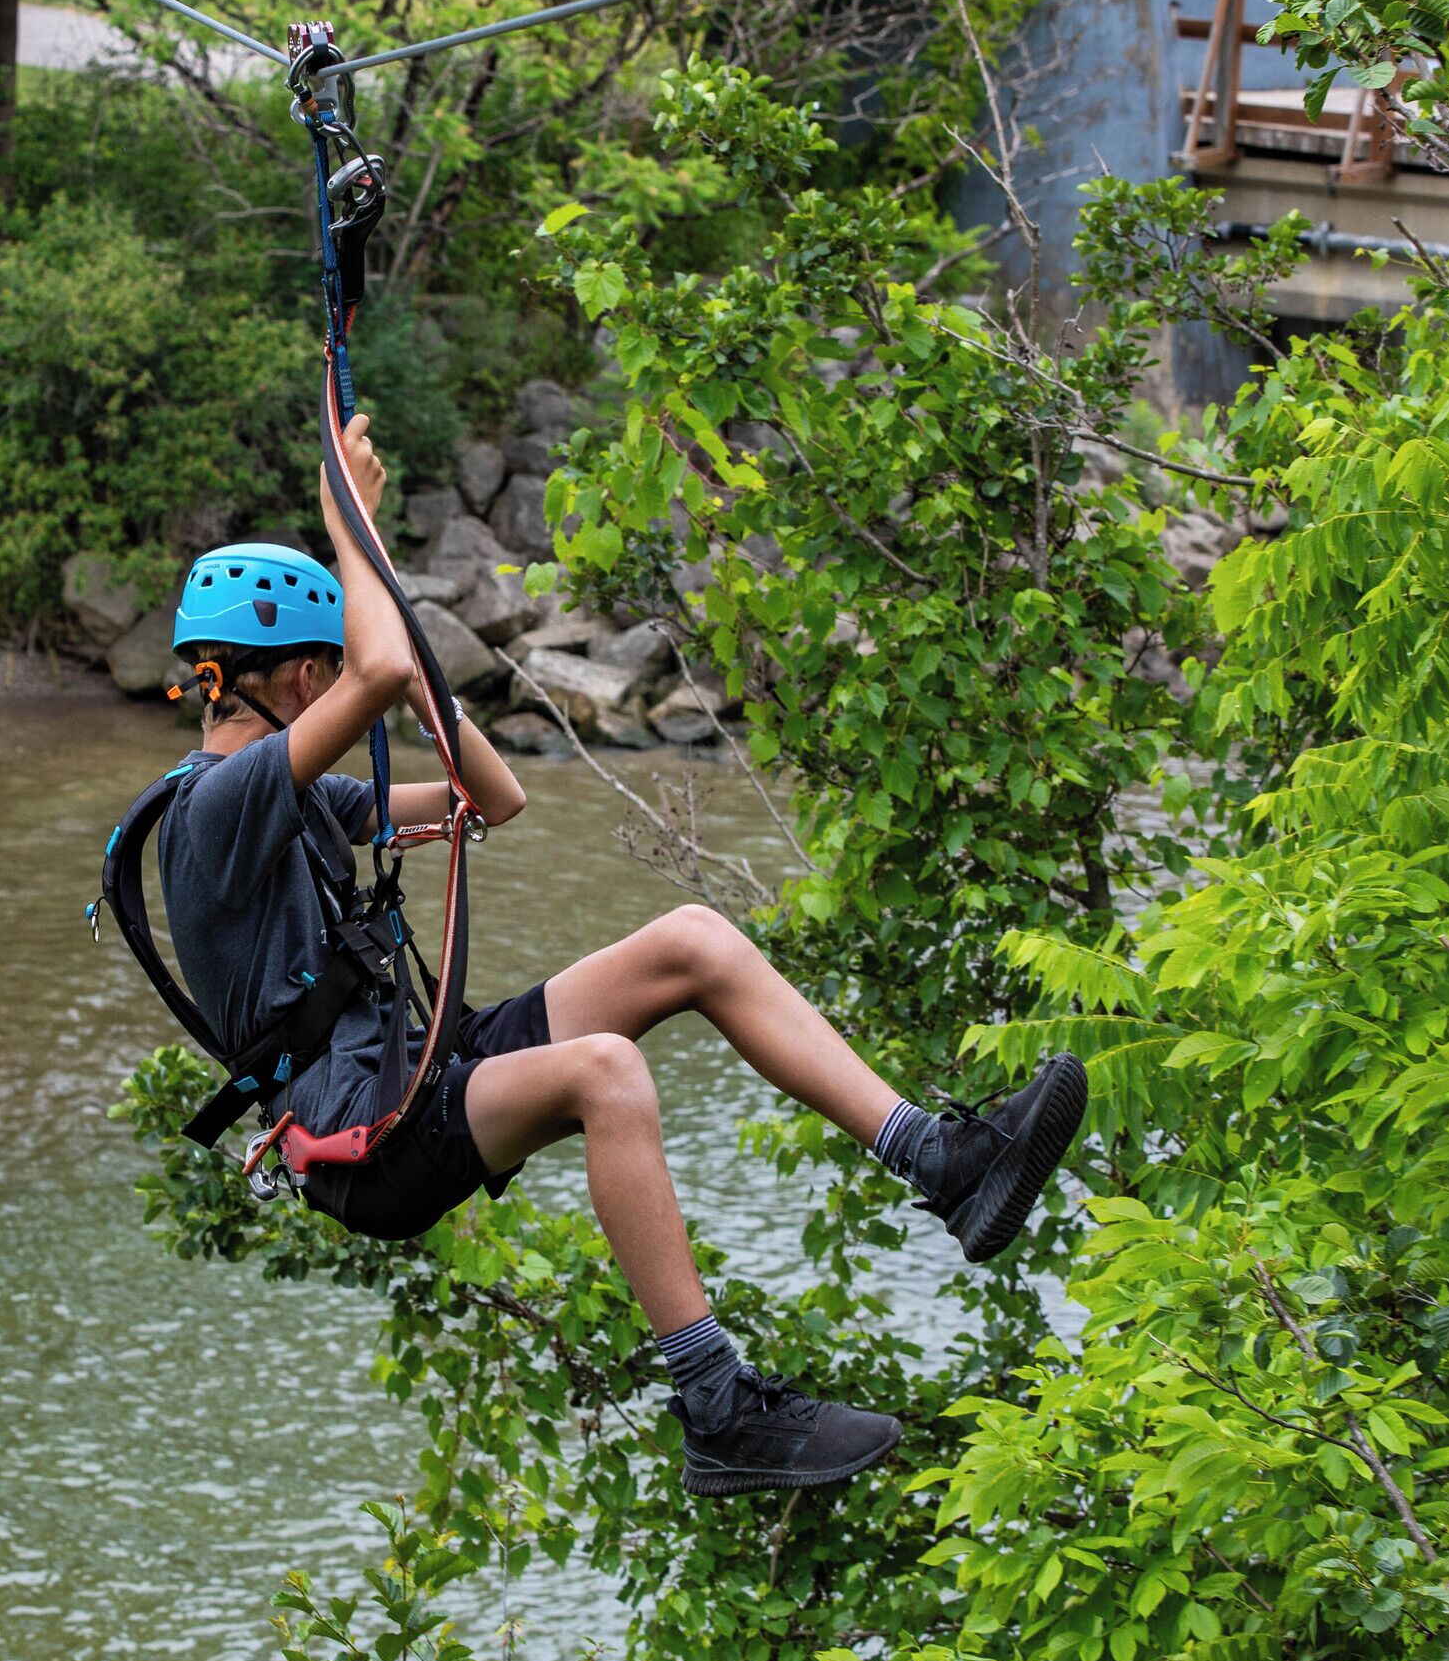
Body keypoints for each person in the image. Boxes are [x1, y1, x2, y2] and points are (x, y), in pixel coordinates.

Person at [147, 406, 1089, 1497]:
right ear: (301, 680)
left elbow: (492, 798)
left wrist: (404, 670)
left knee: (690, 942)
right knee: (608, 1072)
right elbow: (379, 669)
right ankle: (718, 1405)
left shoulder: (301, 800)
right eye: (327, 674)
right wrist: (351, 529)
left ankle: (938, 1159)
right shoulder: (216, 810)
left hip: (418, 1069)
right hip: (366, 1139)